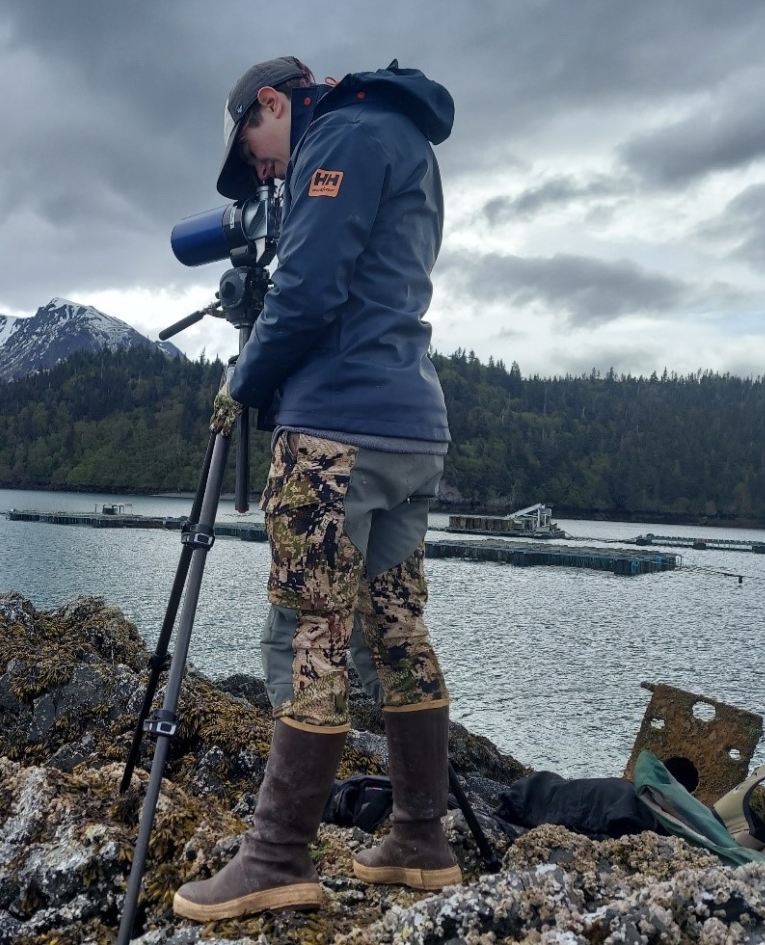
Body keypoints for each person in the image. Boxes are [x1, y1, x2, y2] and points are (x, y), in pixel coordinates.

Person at [173, 56, 458, 922]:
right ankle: (420, 839)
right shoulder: (404, 138)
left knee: (310, 633)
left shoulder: (338, 136)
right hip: (413, 427)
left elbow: (307, 289)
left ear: (273, 102)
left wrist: (243, 382)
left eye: (253, 147)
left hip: (336, 428)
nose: (263, 169)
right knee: (397, 631)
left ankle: (276, 856)